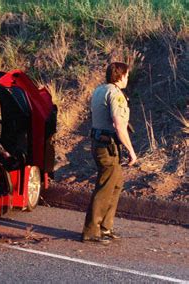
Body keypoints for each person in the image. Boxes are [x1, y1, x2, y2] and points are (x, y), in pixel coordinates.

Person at [82, 62, 137, 244]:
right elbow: (119, 126)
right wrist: (131, 150)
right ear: (120, 76)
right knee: (106, 186)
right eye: (126, 76)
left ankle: (105, 227)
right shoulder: (115, 94)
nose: (127, 79)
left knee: (116, 183)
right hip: (107, 146)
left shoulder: (99, 90)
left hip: (100, 142)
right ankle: (92, 230)